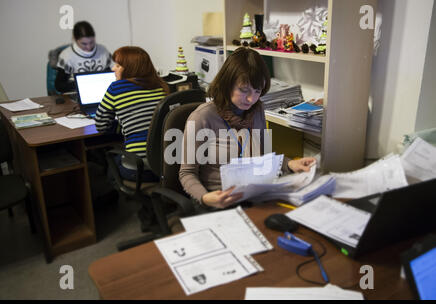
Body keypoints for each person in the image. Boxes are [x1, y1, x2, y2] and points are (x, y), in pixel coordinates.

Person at [179, 47, 315, 209]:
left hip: (254, 194)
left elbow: (264, 155)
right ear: (227, 84)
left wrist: (290, 164)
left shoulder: (257, 110)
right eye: (244, 90)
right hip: (220, 200)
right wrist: (206, 197)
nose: (251, 98)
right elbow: (187, 173)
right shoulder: (202, 117)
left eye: (257, 91)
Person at [95, 46, 169, 182]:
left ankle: (118, 200)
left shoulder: (116, 88)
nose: (113, 69)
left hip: (141, 169)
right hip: (168, 166)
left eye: (118, 65)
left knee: (111, 164)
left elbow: (101, 125)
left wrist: (122, 127)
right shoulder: (161, 86)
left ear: (130, 68)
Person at [55, 21, 112, 93]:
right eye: (84, 44)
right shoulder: (66, 56)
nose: (88, 47)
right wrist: (83, 84)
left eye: (91, 42)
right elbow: (59, 86)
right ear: (75, 39)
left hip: (101, 93)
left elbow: (110, 76)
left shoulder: (103, 51)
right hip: (76, 94)